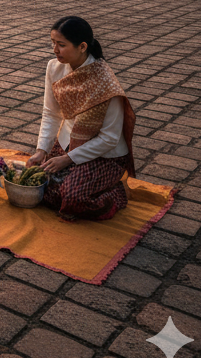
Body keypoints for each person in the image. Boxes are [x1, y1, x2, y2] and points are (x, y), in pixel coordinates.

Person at [26, 15, 135, 222]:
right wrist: (42, 151)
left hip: (104, 155)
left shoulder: (106, 83)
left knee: (72, 198)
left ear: (82, 46)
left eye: (61, 45)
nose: (55, 50)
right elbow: (51, 113)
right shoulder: (54, 67)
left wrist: (67, 159)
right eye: (53, 43)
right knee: (40, 187)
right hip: (69, 143)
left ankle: (117, 192)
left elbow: (109, 139)